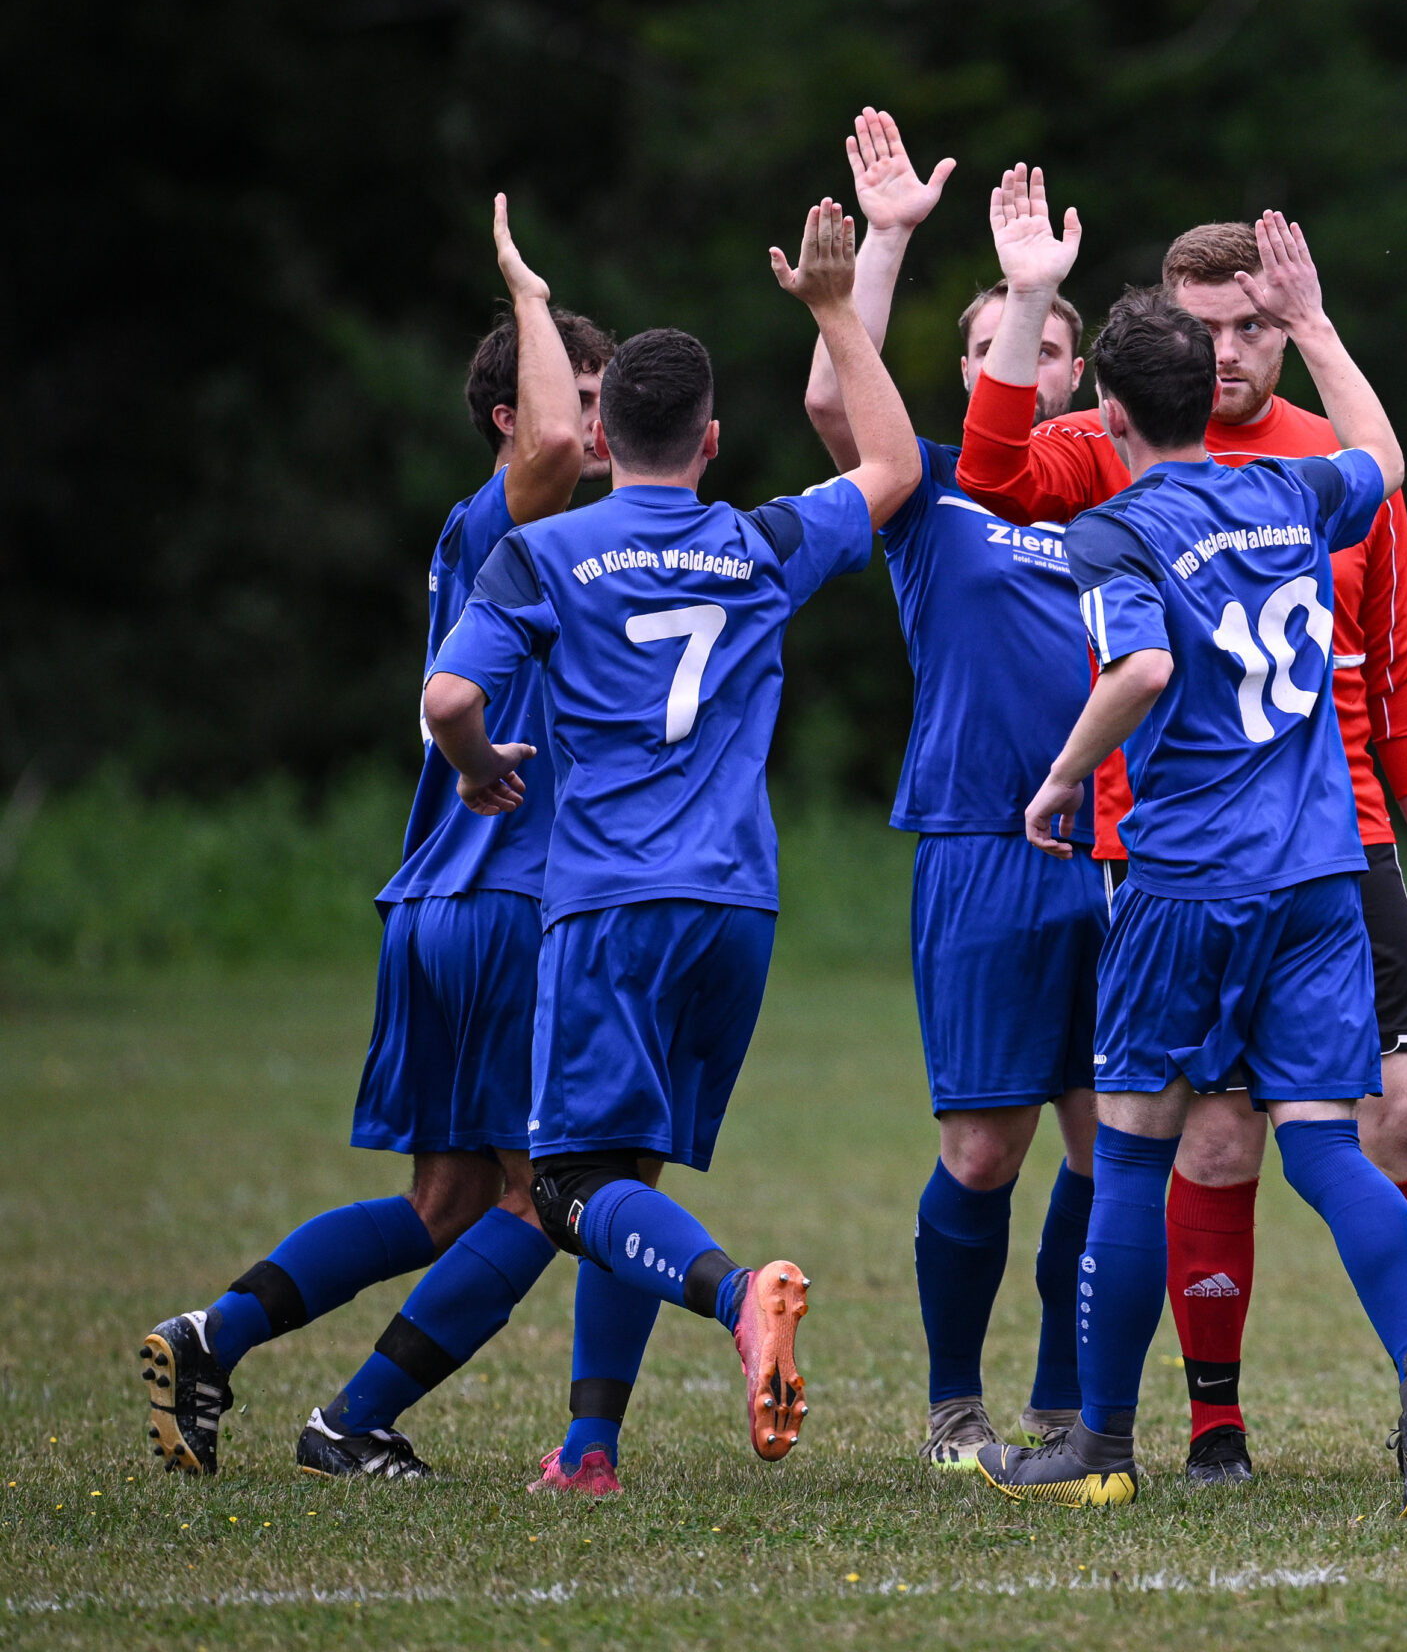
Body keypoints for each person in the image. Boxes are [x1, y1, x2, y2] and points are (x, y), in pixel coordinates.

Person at [953, 186, 1407, 1490]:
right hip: (1318, 875)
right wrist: (1322, 324)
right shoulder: (1288, 496)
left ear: (1101, 410)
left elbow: (1141, 670)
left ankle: (1100, 1448)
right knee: (1328, 1143)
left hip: (1186, 883)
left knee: (1137, 1155)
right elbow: (1382, 460)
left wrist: (1057, 781)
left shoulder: (1115, 522)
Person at [420, 198, 922, 1493]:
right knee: (627, 1163)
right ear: (709, 441)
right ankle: (590, 1446)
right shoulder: (759, 544)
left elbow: (448, 702)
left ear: (603, 435)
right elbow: (894, 468)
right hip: (735, 909)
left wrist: (480, 774)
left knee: (574, 1188)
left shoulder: (543, 554)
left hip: (606, 901)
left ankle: (740, 1292)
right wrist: (829, 315)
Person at [138, 199, 611, 1480]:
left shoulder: (532, 542)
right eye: (574, 397)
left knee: (443, 1204)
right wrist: (527, 287)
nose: (594, 424)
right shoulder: (511, 518)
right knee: (538, 1200)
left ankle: (214, 1334)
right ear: (513, 415)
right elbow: (562, 433)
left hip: (438, 907)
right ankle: (353, 1424)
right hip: (510, 900)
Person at [800, 111, 1103, 1470]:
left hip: (1125, 851)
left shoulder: (1121, 497)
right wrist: (888, 241)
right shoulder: (935, 499)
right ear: (965, 367)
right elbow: (828, 400)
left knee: (1114, 1150)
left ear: (1081, 375)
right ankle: (950, 1407)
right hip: (985, 847)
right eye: (997, 346)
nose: (1024, 360)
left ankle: (1062, 1403)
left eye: (1046, 344)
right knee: (984, 1153)